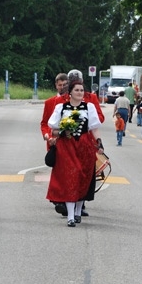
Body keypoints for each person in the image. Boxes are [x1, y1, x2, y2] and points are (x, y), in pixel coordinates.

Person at [46, 79, 104, 227]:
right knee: (70, 177)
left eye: (81, 90)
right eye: (77, 90)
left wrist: (99, 142)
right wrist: (62, 131)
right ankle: (70, 216)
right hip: (66, 146)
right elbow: (53, 130)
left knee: (83, 177)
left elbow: (94, 128)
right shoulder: (61, 107)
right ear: (70, 92)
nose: (80, 92)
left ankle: (78, 210)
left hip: (84, 146)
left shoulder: (89, 107)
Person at [41, 73, 70, 217]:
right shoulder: (49, 102)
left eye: (65, 85)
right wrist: (47, 136)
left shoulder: (73, 100)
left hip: (70, 142)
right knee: (58, 172)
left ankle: (66, 200)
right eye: (60, 85)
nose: (62, 87)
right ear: (56, 86)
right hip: (54, 142)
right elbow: (45, 123)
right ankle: (59, 199)